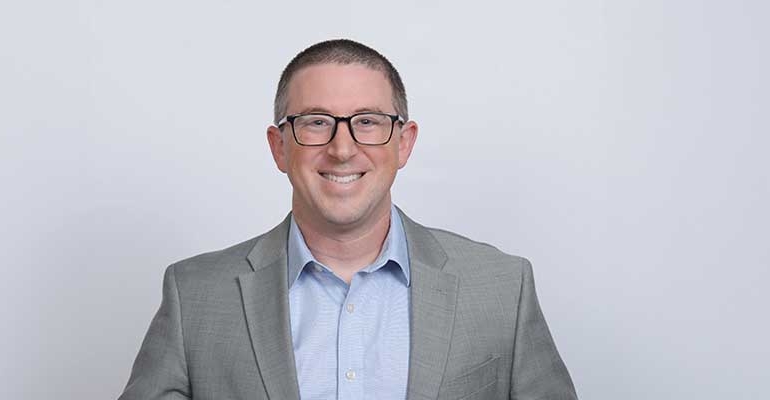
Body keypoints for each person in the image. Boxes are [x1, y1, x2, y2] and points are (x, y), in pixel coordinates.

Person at [119, 39, 577, 400]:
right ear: (280, 146)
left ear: (404, 143)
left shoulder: (501, 288)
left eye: (368, 121)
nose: (342, 148)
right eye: (316, 122)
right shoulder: (194, 296)